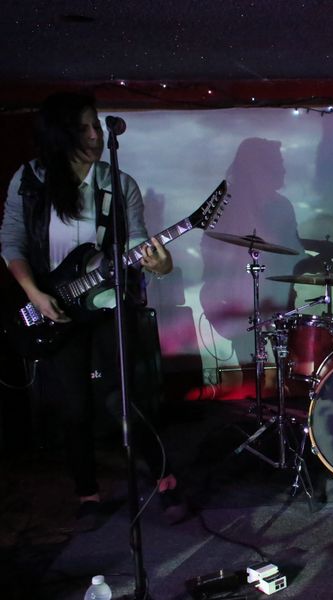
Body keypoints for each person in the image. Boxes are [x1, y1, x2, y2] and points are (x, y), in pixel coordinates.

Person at [0, 91, 187, 530]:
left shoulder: (118, 183)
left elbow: (138, 241)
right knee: (74, 408)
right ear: (60, 133)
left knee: (126, 398)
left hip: (107, 305)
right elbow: (11, 242)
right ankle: (87, 493)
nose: (95, 135)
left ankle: (165, 481)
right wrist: (34, 294)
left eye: (97, 125)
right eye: (83, 127)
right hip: (53, 308)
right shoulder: (28, 180)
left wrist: (159, 264)